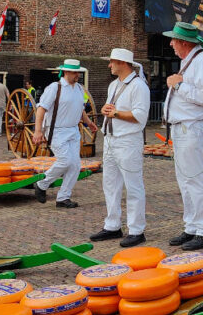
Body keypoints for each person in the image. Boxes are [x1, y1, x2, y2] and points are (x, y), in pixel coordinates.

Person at [161, 22, 203, 251]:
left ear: (184, 42)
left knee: (194, 179)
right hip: (183, 127)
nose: (171, 43)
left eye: (173, 40)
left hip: (191, 127)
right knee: (186, 180)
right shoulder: (191, 61)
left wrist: (178, 85)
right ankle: (193, 226)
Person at [91, 48, 150, 248]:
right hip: (110, 139)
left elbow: (140, 116)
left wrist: (115, 114)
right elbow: (111, 108)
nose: (109, 65)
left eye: (112, 62)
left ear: (122, 63)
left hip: (128, 140)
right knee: (110, 184)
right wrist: (105, 110)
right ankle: (112, 224)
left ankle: (136, 230)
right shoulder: (114, 85)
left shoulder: (139, 86)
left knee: (133, 185)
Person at [33, 60, 98, 209]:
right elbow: (41, 109)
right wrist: (38, 131)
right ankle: (42, 184)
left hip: (73, 130)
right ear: (66, 72)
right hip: (56, 130)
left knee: (75, 165)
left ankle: (63, 197)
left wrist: (88, 122)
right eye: (75, 72)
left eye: (78, 72)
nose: (78, 75)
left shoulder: (80, 89)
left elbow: (80, 108)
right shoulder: (55, 88)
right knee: (66, 161)